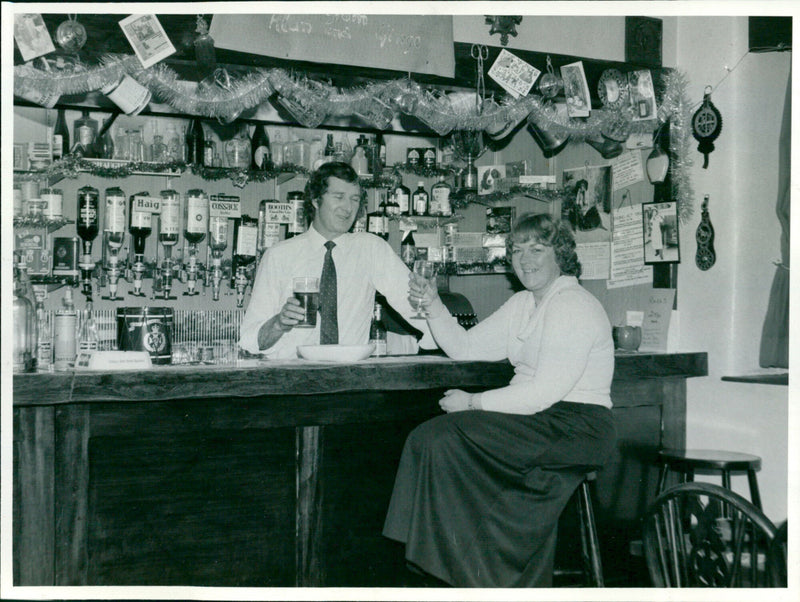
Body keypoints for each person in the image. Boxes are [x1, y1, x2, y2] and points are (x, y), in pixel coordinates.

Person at [382, 213, 616, 588]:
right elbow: (464, 347)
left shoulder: (573, 304)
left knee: (441, 439)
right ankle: (460, 568)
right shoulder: (525, 303)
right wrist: (434, 305)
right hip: (539, 421)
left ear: (561, 255)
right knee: (431, 439)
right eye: (518, 251)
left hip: (576, 425)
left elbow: (542, 393)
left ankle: (454, 567)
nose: (526, 260)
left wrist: (473, 403)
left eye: (537, 249)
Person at [238, 161, 431, 358]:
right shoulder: (278, 256)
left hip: (349, 381)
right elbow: (250, 341)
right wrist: (279, 323)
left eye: (355, 199)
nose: (348, 207)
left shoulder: (371, 249)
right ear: (315, 199)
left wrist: (455, 342)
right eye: (339, 197)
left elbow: (418, 306)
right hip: (290, 380)